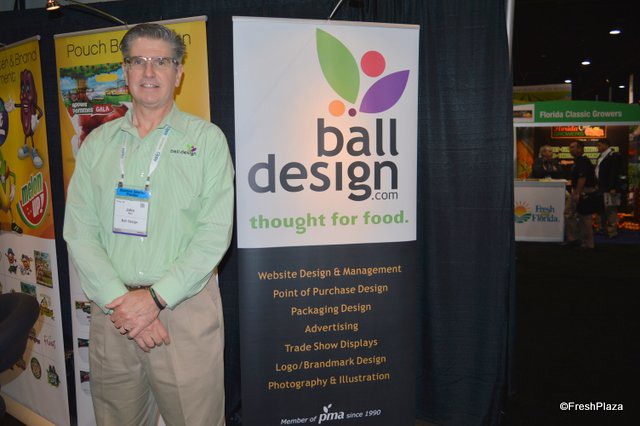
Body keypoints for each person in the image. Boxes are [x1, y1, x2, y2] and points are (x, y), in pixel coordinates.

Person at [63, 23, 234, 426]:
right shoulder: (97, 145)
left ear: (179, 72)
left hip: (184, 311)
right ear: (125, 71)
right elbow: (80, 231)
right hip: (113, 314)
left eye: (162, 61)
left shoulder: (207, 141)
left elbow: (214, 235)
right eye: (138, 61)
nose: (149, 72)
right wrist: (123, 302)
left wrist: (154, 300)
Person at [564, 140, 597, 249]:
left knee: (584, 217)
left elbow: (582, 177)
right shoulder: (578, 161)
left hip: (583, 191)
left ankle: (587, 243)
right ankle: (574, 238)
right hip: (579, 190)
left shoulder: (583, 161)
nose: (570, 149)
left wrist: (577, 193)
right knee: (569, 213)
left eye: (573, 147)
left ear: (580, 148)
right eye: (570, 147)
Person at [595, 138, 621, 238]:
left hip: (610, 188)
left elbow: (615, 173)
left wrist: (613, 187)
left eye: (599, 145)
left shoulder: (614, 155)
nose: (597, 147)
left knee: (611, 210)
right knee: (600, 209)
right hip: (600, 187)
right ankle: (601, 229)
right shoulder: (600, 156)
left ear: (606, 145)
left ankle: (612, 232)